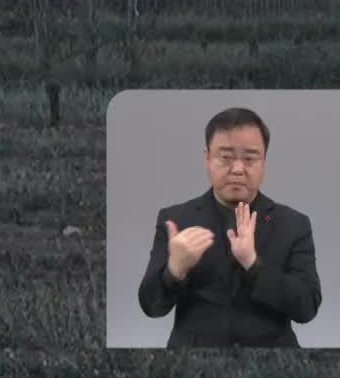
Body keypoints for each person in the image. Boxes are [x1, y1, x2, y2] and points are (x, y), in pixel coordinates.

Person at [136, 107, 322, 346]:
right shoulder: (176, 219)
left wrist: (253, 264)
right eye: (225, 157)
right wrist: (175, 270)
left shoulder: (293, 223)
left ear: (264, 161)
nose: (237, 169)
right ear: (207, 158)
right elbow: (151, 307)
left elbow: (306, 308)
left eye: (250, 158)